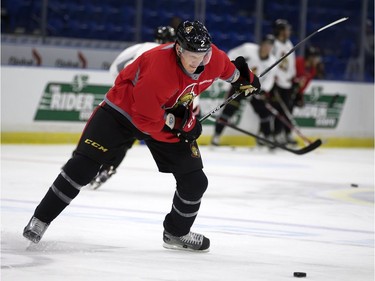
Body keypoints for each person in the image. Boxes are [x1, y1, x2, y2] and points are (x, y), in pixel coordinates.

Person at [23, 20, 261, 252]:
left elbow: (231, 72)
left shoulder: (213, 58)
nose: (198, 63)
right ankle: (41, 219)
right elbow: (145, 121)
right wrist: (181, 124)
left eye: (203, 56)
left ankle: (176, 233)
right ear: (178, 49)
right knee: (82, 167)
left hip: (163, 115)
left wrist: (245, 80)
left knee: (195, 181)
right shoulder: (159, 69)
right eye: (192, 57)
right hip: (121, 113)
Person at [90, 26, 177, 190]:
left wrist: (125, 87)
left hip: (125, 100)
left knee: (108, 132)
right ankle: (109, 167)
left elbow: (115, 69)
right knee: (127, 137)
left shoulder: (142, 47)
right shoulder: (175, 57)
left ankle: (86, 162)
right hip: (150, 105)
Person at [211, 34, 277, 148]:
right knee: (229, 109)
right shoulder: (248, 49)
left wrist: (263, 90)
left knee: (265, 112)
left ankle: (268, 137)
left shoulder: (272, 61)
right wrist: (237, 73)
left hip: (256, 89)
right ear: (261, 43)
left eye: (270, 46)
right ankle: (216, 136)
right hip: (241, 85)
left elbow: (270, 80)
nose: (267, 48)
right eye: (266, 44)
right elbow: (232, 55)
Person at [271, 19, 297, 145]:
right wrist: (274, 78)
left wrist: (292, 76)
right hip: (276, 82)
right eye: (286, 29)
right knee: (278, 110)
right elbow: (271, 62)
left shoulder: (289, 44)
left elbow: (291, 63)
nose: (289, 32)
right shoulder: (274, 44)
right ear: (280, 31)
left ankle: (286, 133)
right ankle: (276, 134)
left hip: (287, 83)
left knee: (288, 109)